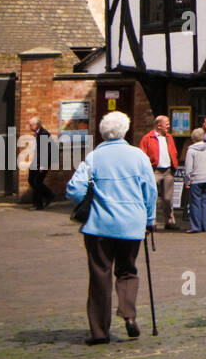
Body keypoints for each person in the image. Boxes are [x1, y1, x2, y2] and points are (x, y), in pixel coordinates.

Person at [66, 111, 157, 345]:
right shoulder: (138, 156)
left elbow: (73, 190)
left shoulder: (94, 157)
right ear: (126, 130)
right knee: (127, 271)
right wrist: (150, 220)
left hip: (99, 226)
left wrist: (86, 201)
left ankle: (99, 332)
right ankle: (128, 314)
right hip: (131, 224)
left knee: (100, 275)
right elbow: (150, 191)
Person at [139, 115, 180, 230]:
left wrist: (174, 164)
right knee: (152, 197)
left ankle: (170, 221)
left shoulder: (169, 137)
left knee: (168, 198)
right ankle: (152, 222)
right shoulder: (147, 138)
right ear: (159, 125)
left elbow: (174, 152)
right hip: (154, 171)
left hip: (167, 171)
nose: (169, 126)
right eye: (166, 123)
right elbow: (143, 155)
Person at [183, 127, 206, 233]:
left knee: (195, 203)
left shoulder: (191, 150)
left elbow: (188, 167)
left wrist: (187, 181)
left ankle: (196, 227)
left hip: (196, 179)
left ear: (193, 138)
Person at [26, 117, 57, 209]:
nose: (30, 126)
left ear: (36, 125)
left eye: (31, 125)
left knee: (37, 182)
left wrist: (43, 164)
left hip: (43, 162)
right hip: (37, 161)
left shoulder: (43, 134)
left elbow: (45, 151)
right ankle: (49, 195)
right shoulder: (38, 133)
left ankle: (38, 205)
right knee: (31, 180)